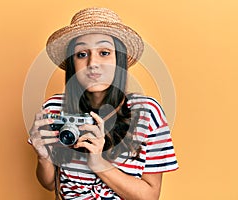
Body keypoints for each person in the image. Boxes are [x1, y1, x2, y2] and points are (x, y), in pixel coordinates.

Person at [28, 7, 178, 200]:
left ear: (119, 60)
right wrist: (43, 157)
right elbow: (49, 183)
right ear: (72, 63)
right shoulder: (54, 109)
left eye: (105, 52)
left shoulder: (148, 113)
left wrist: (99, 163)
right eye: (82, 54)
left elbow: (149, 196)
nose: (93, 63)